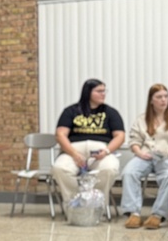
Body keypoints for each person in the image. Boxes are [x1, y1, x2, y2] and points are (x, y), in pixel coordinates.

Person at [52, 79, 125, 213]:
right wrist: (74, 154)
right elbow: (60, 135)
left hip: (101, 152)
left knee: (110, 169)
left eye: (104, 91)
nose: (103, 94)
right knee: (59, 168)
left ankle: (96, 205)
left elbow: (120, 136)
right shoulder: (71, 111)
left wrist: (107, 151)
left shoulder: (110, 112)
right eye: (99, 91)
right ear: (88, 92)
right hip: (73, 151)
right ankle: (75, 204)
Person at [120, 83, 168, 229]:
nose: (163, 100)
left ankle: (158, 215)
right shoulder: (142, 119)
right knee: (129, 172)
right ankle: (133, 214)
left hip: (167, 157)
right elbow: (134, 140)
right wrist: (139, 152)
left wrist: (166, 152)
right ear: (151, 100)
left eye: (166, 96)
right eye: (159, 97)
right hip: (145, 155)